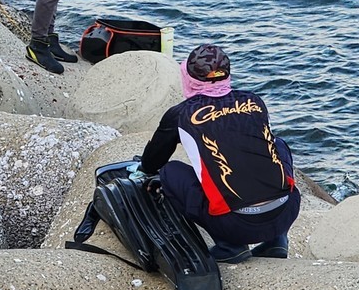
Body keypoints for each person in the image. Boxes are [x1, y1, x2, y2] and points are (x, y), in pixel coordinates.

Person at [128, 43, 300, 263]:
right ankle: (277, 238)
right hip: (286, 211)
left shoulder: (180, 114)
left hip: (235, 225)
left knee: (169, 171)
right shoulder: (255, 102)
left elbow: (153, 161)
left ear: (188, 77)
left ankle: (230, 246)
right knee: (280, 145)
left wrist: (144, 170)